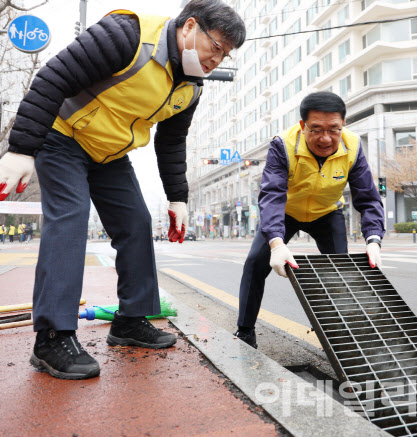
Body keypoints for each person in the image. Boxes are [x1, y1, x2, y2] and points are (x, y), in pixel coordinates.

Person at [0, 0, 245, 380]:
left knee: (135, 222)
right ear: (189, 26)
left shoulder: (191, 88)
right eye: (216, 46)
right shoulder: (127, 36)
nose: (218, 59)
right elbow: (53, 77)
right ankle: (51, 338)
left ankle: (130, 321)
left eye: (226, 54)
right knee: (70, 218)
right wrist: (21, 149)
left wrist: (178, 197)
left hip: (109, 152)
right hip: (62, 135)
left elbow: (172, 142)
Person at [235, 91, 385, 348]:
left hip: (327, 213)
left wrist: (373, 239)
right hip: (286, 213)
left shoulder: (353, 146)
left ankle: (340, 338)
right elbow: (271, 196)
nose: (325, 138)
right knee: (254, 263)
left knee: (340, 272)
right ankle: (245, 330)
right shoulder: (282, 145)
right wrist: (276, 243)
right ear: (303, 126)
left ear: (343, 125)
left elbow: (368, 199)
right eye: (316, 129)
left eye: (334, 129)